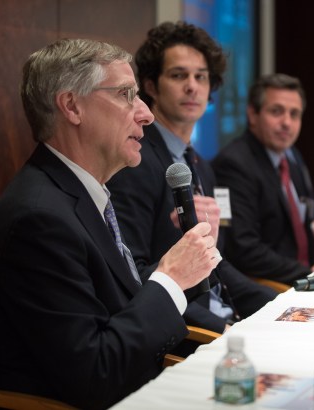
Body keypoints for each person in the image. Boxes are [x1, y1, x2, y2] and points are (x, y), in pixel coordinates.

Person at [0, 38, 221, 409]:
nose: (146, 114)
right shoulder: (37, 220)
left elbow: (118, 301)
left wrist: (183, 271)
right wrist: (169, 279)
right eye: (125, 95)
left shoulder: (82, 192)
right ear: (72, 106)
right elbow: (94, 373)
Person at [107, 21, 276, 339]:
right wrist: (222, 330)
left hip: (225, 319)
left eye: (201, 77)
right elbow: (136, 274)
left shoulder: (198, 164)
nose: (192, 87)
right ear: (151, 86)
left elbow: (215, 264)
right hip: (185, 331)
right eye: (178, 75)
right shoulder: (134, 161)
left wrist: (281, 305)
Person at [212, 73, 314, 284]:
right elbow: (244, 250)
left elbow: (305, 218)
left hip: (305, 272)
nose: (287, 123)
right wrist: (308, 273)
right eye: (276, 111)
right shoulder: (234, 164)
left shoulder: (291, 157)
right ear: (253, 114)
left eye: (294, 114)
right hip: (275, 282)